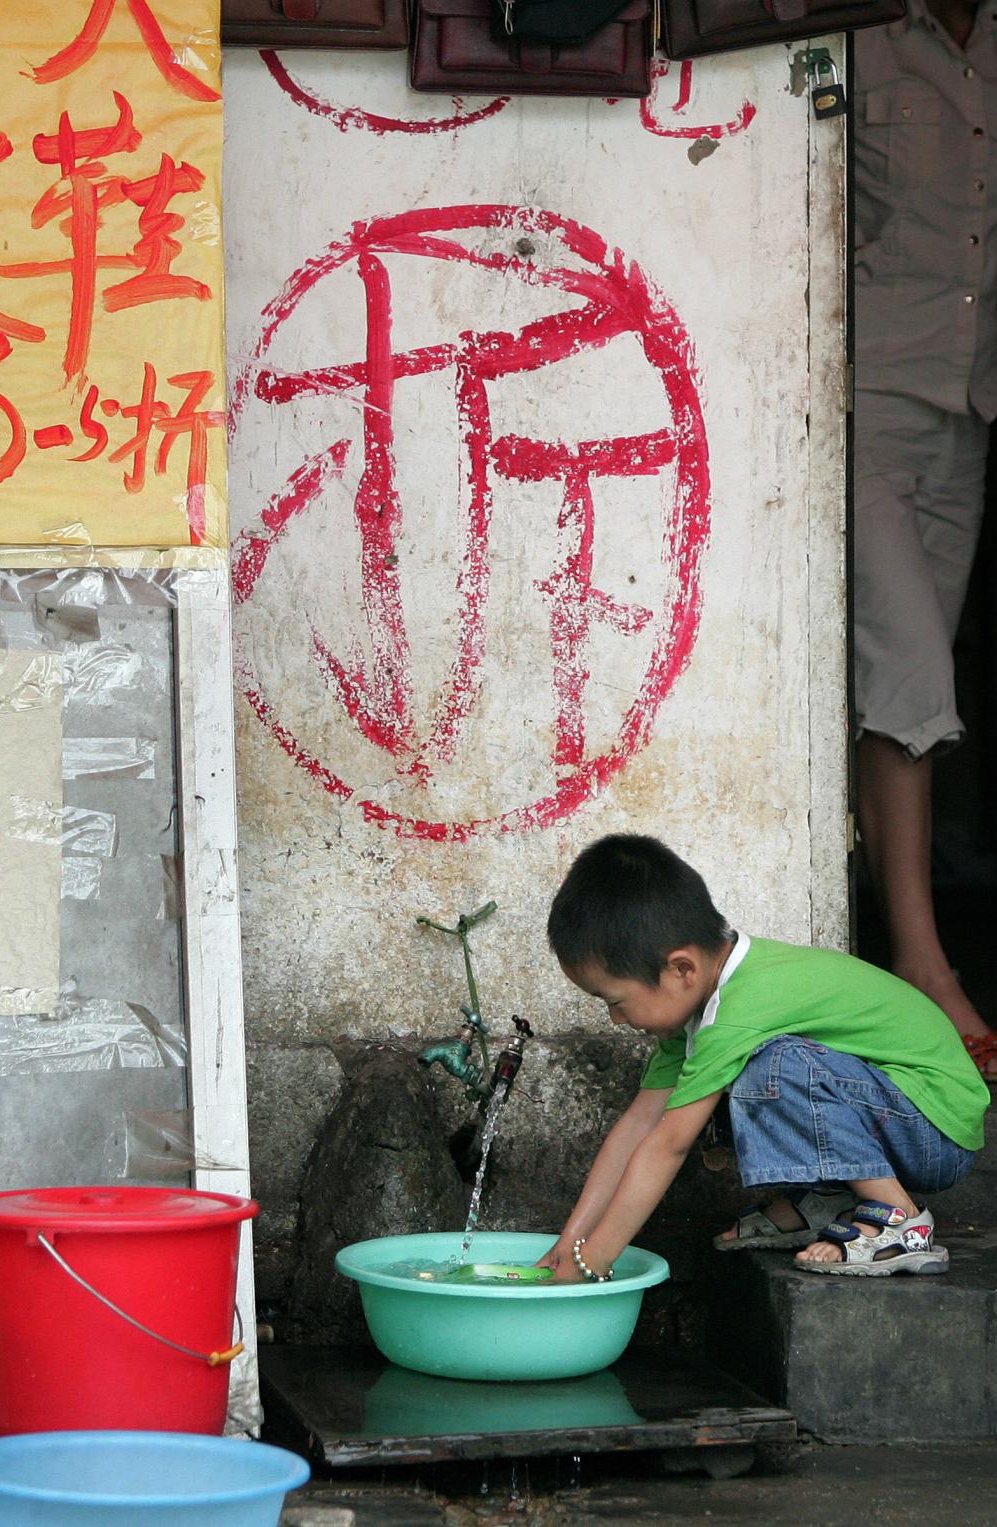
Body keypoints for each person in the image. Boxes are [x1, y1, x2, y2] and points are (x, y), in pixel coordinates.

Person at [536, 834, 987, 1284]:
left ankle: (898, 1217)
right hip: (894, 1113)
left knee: (774, 1067)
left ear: (681, 969)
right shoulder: (697, 1013)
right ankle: (825, 1202)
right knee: (738, 1080)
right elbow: (640, 1125)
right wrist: (570, 1242)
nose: (615, 1019)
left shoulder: (740, 1011)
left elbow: (666, 1146)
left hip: (933, 1127)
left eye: (615, 1000)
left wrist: (591, 1262)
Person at [853, 0, 997, 1072]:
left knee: (906, 694)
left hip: (969, 409)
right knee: (909, 680)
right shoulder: (856, 31)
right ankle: (920, 963)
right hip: (862, 402)